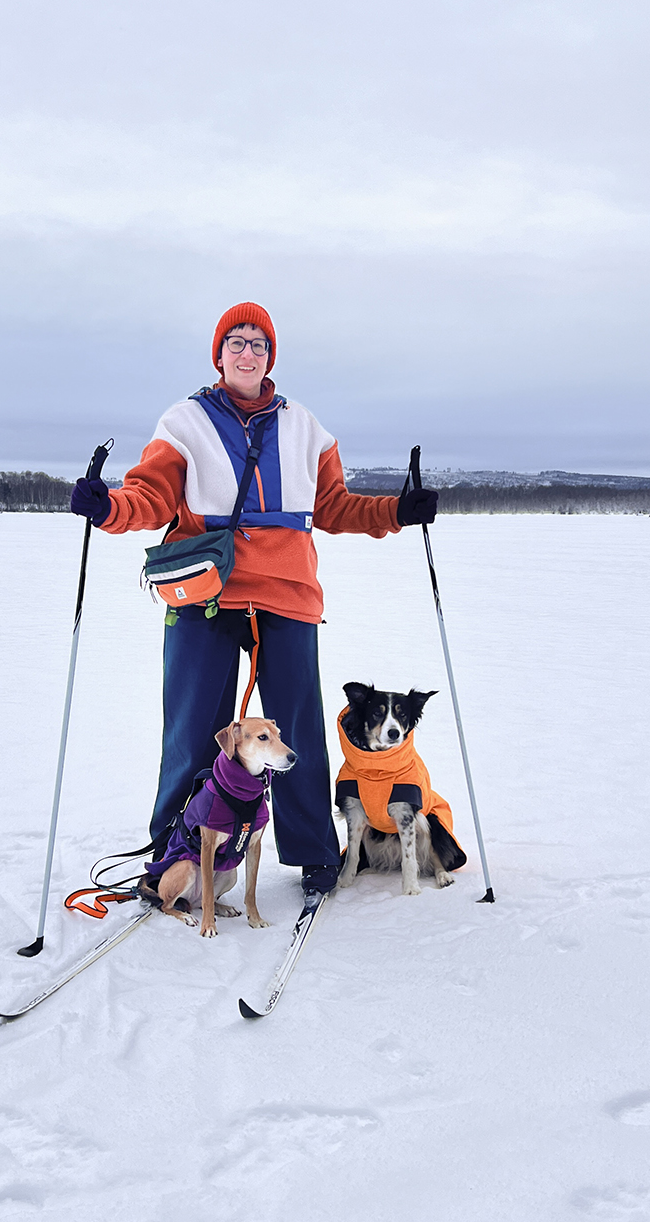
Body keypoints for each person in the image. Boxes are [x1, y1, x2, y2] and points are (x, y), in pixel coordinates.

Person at [70, 302, 438, 903]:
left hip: (286, 592)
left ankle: (316, 853)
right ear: (219, 355)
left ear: (270, 357)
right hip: (206, 591)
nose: (247, 352)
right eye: (236, 342)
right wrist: (108, 506)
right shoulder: (184, 422)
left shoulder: (305, 429)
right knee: (194, 732)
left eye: (258, 344)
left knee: (294, 731)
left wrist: (397, 511)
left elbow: (335, 507)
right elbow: (151, 495)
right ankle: (175, 850)